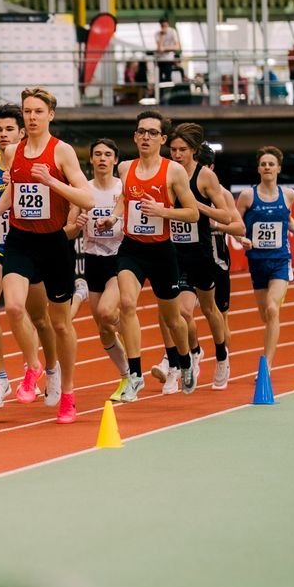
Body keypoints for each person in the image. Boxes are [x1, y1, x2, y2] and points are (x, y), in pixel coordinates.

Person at [0, 85, 97, 426]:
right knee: (14, 307)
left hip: (54, 243)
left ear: (50, 115)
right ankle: (33, 367)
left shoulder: (62, 152)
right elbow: (14, 188)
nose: (31, 117)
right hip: (20, 240)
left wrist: (51, 181)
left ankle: (67, 393)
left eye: (38, 112)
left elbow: (87, 199)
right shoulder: (14, 151)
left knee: (60, 324)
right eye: (27, 111)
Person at [112, 110, 198, 402]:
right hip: (132, 248)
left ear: (162, 139)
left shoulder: (173, 171)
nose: (145, 137)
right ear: (135, 137)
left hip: (161, 251)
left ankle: (185, 361)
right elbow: (125, 198)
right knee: (126, 304)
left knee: (173, 319)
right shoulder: (125, 168)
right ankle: (135, 375)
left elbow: (193, 213)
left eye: (152, 132)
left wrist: (163, 211)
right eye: (141, 132)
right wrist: (113, 217)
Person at [0, 104, 55, 409]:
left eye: (9, 129)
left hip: (28, 247)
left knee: (38, 317)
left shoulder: (34, 163)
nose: (3, 135)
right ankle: (0, 378)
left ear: (22, 132)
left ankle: (47, 370)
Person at [153, 123, 240, 391]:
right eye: (173, 149)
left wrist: (197, 205)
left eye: (182, 149)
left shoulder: (205, 177)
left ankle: (222, 356)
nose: (177, 154)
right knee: (181, 311)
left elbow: (227, 216)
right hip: (175, 254)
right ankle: (194, 351)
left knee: (210, 309)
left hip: (201, 254)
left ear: (193, 150)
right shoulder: (167, 172)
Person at [233, 146, 294, 371]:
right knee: (265, 315)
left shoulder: (288, 194)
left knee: (272, 309)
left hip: (280, 259)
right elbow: (236, 223)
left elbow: (287, 218)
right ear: (258, 169)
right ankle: (269, 347)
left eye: (271, 164)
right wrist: (241, 238)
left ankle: (267, 365)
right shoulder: (248, 196)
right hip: (257, 261)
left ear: (279, 168)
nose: (267, 167)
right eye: (263, 164)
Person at [68, 137, 130, 399]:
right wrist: (77, 223)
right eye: (98, 154)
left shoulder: (123, 188)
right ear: (91, 159)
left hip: (120, 258)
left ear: (115, 160)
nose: (102, 158)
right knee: (104, 329)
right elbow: (69, 232)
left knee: (107, 312)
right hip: (93, 261)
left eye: (107, 154)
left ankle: (130, 333)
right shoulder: (83, 190)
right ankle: (127, 376)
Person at [155, 15, 182, 88]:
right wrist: (162, 35)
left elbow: (177, 47)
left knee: (168, 79)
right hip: (160, 60)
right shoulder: (157, 34)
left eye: (165, 25)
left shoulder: (172, 31)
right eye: (162, 26)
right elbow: (160, 49)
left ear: (168, 24)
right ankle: (160, 93)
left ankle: (168, 92)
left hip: (169, 60)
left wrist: (165, 49)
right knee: (159, 80)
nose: (164, 27)